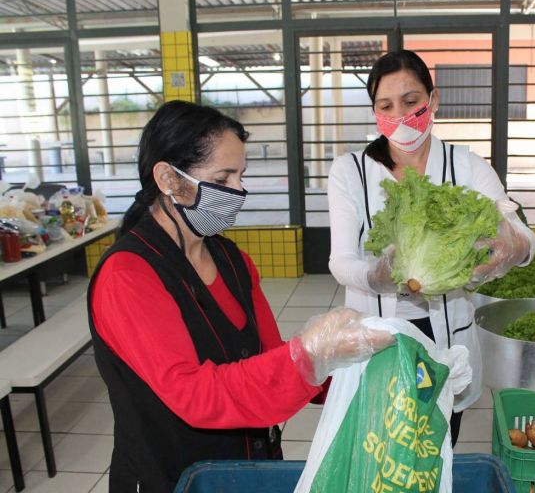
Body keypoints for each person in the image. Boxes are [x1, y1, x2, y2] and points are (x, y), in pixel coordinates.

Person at [88, 100, 393, 492]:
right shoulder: (129, 276)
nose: (239, 191)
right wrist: (307, 356)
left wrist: (346, 365)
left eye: (241, 175)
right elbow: (194, 393)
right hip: (173, 477)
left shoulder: (231, 259)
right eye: (224, 177)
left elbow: (267, 356)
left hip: (247, 468)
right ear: (168, 178)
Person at [327, 50, 535, 446]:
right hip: (377, 335)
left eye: (411, 102)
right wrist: (376, 277)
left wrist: (515, 244)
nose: (401, 116)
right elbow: (340, 262)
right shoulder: (350, 171)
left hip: (445, 335)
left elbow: (524, 238)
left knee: (437, 447)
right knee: (380, 448)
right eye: (385, 106)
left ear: (432, 100)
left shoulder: (467, 165)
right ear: (373, 111)